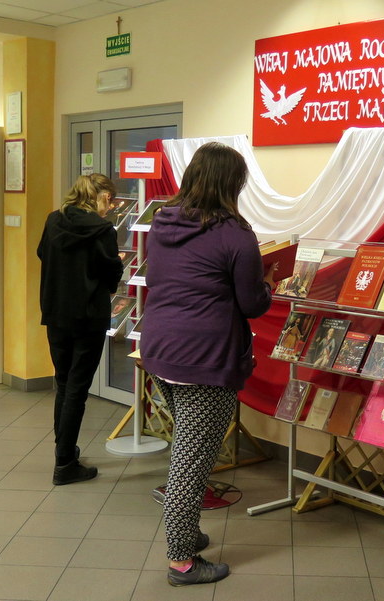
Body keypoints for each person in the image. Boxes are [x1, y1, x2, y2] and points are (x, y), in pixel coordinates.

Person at [140, 142, 276, 586]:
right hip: (205, 357)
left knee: (187, 447)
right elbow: (252, 304)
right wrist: (269, 284)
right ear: (232, 184)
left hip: (160, 348)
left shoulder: (163, 223)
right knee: (192, 460)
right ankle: (182, 561)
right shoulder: (236, 235)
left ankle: (188, 532)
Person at [37, 173, 123, 485]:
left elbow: (42, 254)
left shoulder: (53, 220)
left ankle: (65, 451)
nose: (110, 207)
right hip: (88, 315)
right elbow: (110, 272)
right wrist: (114, 268)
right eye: (110, 200)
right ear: (103, 197)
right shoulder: (102, 229)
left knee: (63, 383)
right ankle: (65, 464)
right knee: (77, 388)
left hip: (55, 312)